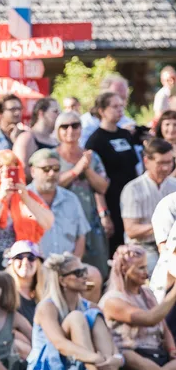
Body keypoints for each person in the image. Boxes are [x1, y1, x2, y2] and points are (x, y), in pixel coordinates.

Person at [26, 252, 136, 370]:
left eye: (84, 271)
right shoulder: (47, 307)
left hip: (76, 365)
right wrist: (95, 357)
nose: (85, 276)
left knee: (94, 315)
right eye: (78, 273)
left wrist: (115, 359)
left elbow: (110, 343)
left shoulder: (91, 307)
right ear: (62, 281)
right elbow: (60, 344)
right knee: (76, 317)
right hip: (46, 369)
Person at [101, 244, 176, 370]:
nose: (146, 273)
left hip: (157, 354)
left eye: (146, 267)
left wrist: (172, 350)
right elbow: (150, 319)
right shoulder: (112, 300)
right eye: (141, 268)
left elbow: (163, 327)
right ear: (124, 269)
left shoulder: (147, 293)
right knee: (129, 357)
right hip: (135, 355)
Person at [0, 150, 53, 273]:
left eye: (11, 167)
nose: (5, 171)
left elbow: (47, 223)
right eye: (1, 167)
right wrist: (1, 197)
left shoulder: (27, 195)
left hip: (25, 261)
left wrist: (25, 198)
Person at [27, 150, 98, 299]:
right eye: (46, 169)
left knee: (94, 276)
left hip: (67, 266)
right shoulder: (23, 198)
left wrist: (74, 264)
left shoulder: (71, 199)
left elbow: (81, 236)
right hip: (34, 266)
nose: (52, 173)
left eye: (56, 169)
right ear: (33, 171)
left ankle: (88, 317)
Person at [54, 110, 111, 279]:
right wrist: (76, 170)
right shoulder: (52, 156)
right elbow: (51, 184)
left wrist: (87, 169)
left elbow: (103, 187)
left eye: (75, 125)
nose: (70, 130)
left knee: (96, 268)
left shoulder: (91, 156)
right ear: (58, 130)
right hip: (62, 218)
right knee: (67, 268)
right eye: (65, 126)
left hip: (90, 218)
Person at [86, 91, 145, 251]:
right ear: (102, 111)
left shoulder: (125, 134)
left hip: (133, 199)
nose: (120, 110)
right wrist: (104, 214)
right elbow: (95, 181)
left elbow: (135, 167)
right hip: (112, 201)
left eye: (121, 106)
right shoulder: (95, 140)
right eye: (114, 107)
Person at [119, 136, 176, 273]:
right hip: (142, 247)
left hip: (171, 244)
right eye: (160, 163)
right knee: (156, 270)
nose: (166, 168)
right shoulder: (133, 189)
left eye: (169, 162)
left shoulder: (174, 185)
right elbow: (131, 230)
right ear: (146, 161)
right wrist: (162, 226)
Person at [80, 75, 134, 145]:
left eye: (124, 98)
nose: (120, 102)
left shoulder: (128, 122)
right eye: (116, 96)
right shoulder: (84, 123)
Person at [13, 97, 59, 177]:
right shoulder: (26, 138)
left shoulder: (55, 140)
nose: (59, 115)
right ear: (41, 113)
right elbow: (21, 170)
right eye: (55, 111)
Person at [4, 240, 44, 325]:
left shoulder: (47, 292)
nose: (25, 262)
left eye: (31, 257)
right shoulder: (4, 292)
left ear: (38, 263)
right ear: (11, 262)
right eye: (19, 257)